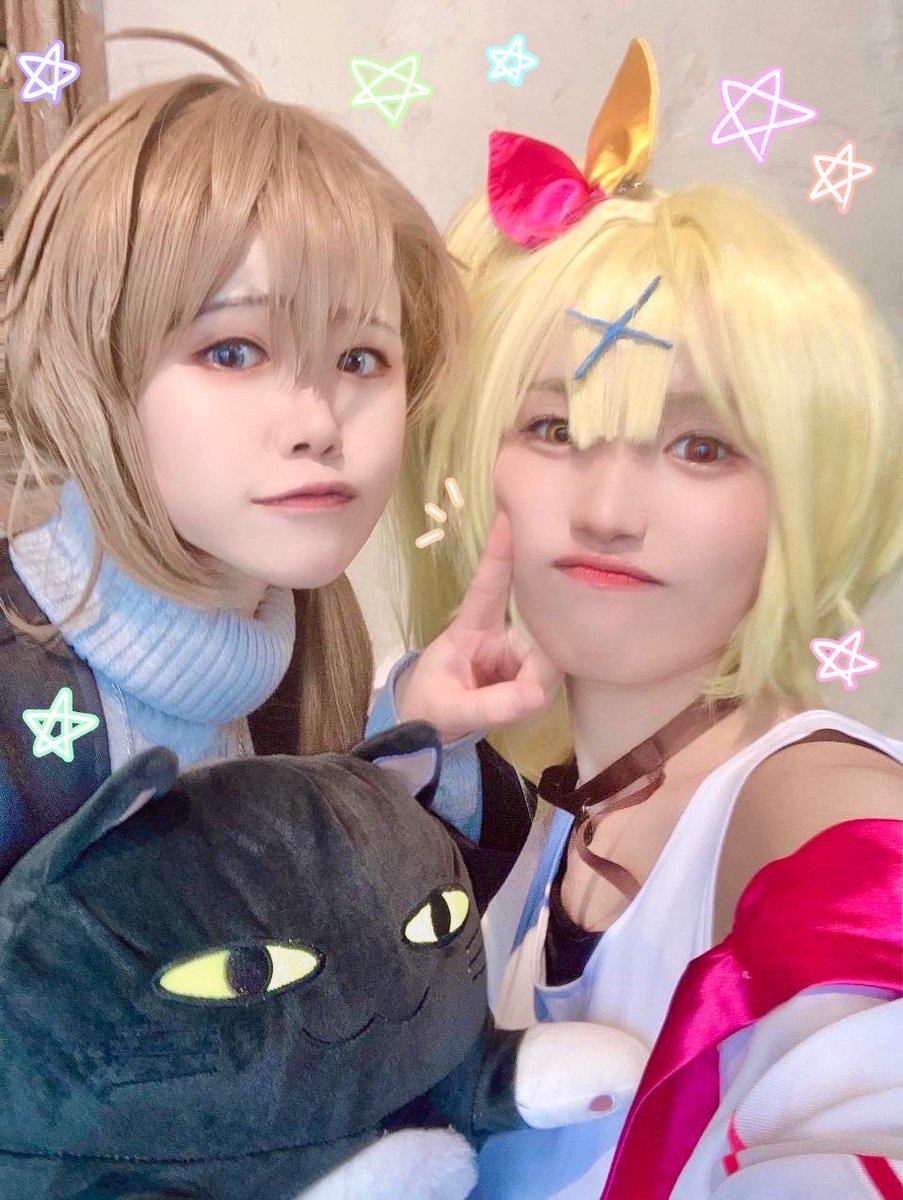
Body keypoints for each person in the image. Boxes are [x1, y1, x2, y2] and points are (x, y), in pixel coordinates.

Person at [386, 37, 903, 1198]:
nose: (609, 512)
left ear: (804, 493)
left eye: (701, 447)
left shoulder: (807, 815)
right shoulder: (545, 822)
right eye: (555, 430)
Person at [0, 29, 480, 877]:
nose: (318, 424)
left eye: (359, 359)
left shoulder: (306, 651)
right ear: (91, 367)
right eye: (233, 351)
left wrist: (412, 742)